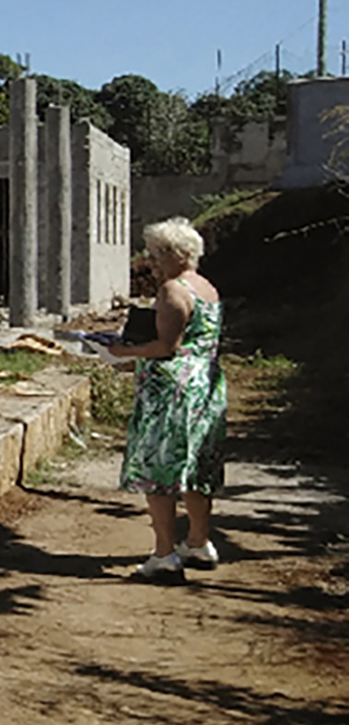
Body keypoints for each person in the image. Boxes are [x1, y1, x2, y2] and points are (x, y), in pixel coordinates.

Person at [108, 216, 226, 579]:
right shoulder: (206, 288)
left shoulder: (173, 291)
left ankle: (163, 553)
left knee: (160, 470)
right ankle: (198, 541)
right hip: (204, 388)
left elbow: (165, 346)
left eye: (157, 254)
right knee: (195, 467)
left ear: (179, 254)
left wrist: (120, 353)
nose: (150, 262)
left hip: (171, 394)